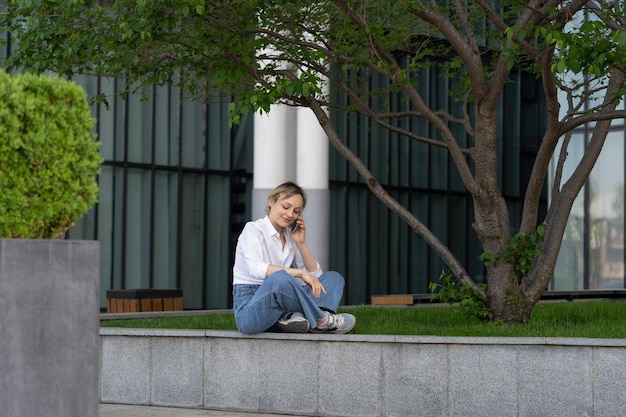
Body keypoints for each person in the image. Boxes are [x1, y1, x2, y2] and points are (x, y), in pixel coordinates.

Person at [232, 181, 356, 334]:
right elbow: (255, 269)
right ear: (272, 202)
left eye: (296, 211)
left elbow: (315, 277)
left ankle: (295, 318)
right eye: (286, 207)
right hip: (251, 310)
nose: (290, 214)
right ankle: (321, 319)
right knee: (279, 279)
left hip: (282, 303)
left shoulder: (290, 237)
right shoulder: (253, 230)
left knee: (333, 278)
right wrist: (299, 273)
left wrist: (301, 243)